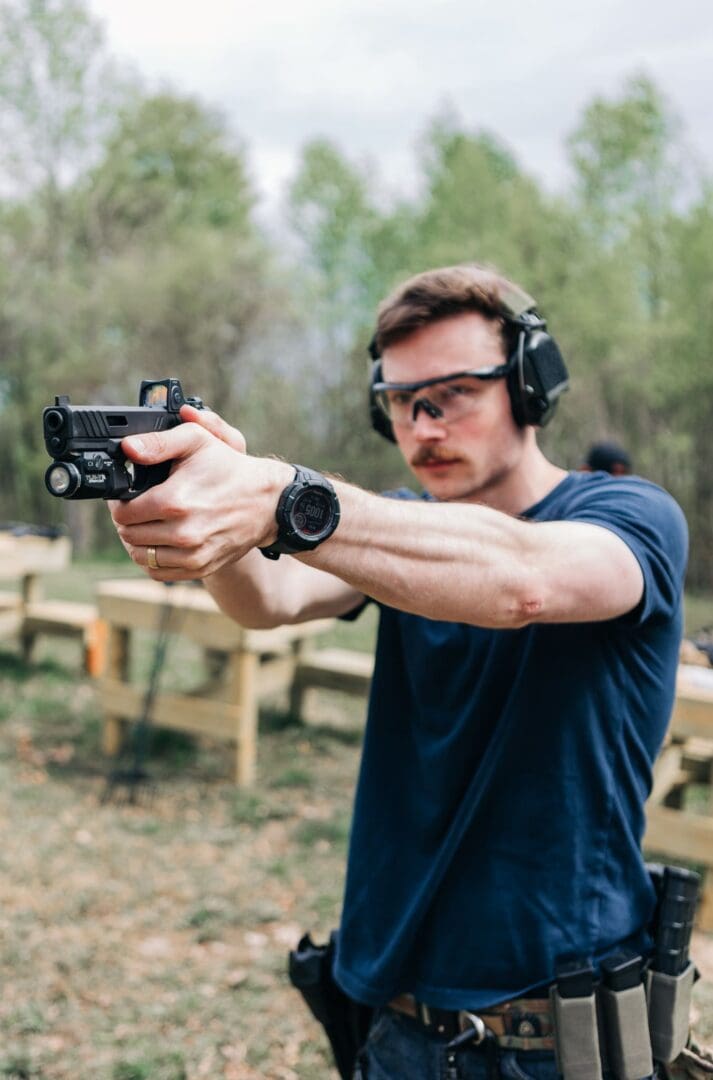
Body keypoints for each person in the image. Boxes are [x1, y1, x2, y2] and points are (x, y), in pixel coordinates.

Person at [108, 264, 688, 1080]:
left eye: (452, 393)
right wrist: (203, 518)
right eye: (399, 399)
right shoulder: (398, 529)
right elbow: (269, 595)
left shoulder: (631, 518)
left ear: (529, 386)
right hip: (396, 1017)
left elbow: (522, 581)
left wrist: (281, 496)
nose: (421, 425)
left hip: (554, 1032)